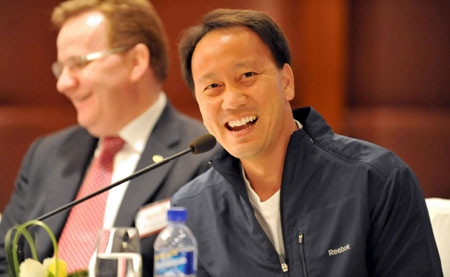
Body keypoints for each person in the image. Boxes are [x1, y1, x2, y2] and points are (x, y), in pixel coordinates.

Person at [171, 8, 443, 276]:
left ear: (286, 81)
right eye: (213, 87)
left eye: (247, 76)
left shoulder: (377, 179)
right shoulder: (192, 209)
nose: (231, 101)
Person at [0, 0, 217, 275]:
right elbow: (6, 260)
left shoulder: (202, 154)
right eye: (60, 68)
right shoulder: (46, 154)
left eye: (78, 63)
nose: (63, 83)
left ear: (136, 61)